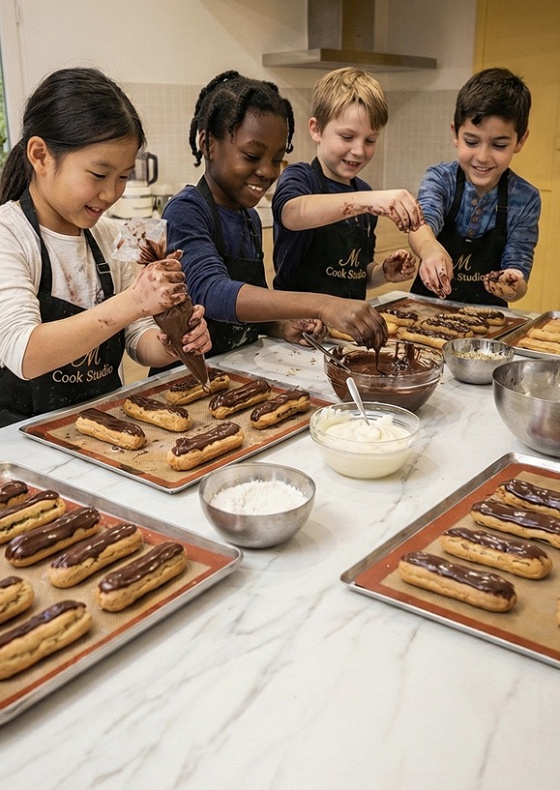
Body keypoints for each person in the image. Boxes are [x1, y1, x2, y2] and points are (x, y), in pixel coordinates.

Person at [0, 67, 211, 427]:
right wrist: (132, 302)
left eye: (124, 176)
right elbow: (25, 353)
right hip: (22, 442)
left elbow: (137, 337)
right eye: (98, 175)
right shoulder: (10, 234)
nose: (112, 193)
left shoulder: (113, 236)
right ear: (40, 156)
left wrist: (171, 343)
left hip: (103, 427)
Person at [163, 70, 388, 357]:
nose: (269, 171)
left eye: (277, 158)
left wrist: (281, 326)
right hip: (185, 378)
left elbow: (250, 313)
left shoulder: (250, 218)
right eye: (252, 156)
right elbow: (213, 293)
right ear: (208, 144)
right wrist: (324, 305)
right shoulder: (186, 211)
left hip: (234, 372)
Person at [271, 67, 423, 299]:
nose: (359, 150)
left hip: (346, 325)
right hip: (297, 325)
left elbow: (359, 273)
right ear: (316, 129)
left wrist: (383, 273)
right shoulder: (300, 177)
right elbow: (292, 213)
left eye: (370, 140)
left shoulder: (363, 192)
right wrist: (369, 201)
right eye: (347, 137)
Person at [408, 67, 541, 305]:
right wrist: (430, 250)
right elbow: (421, 225)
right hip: (426, 307)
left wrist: (512, 285)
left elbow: (519, 274)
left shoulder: (525, 198)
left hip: (487, 322)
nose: (482, 156)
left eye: (499, 145)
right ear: (455, 134)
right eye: (471, 141)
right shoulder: (440, 180)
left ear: (520, 141)